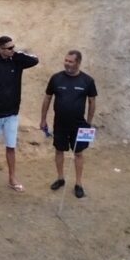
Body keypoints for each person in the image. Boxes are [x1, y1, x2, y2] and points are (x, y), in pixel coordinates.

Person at [0, 35, 40, 191]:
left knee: (11, 146)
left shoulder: (17, 61)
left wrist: (16, 54)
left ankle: (12, 178)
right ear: (0, 49)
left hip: (12, 113)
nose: (13, 50)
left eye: (14, 47)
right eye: (9, 48)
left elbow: (35, 60)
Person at [39, 50, 98, 198]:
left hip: (80, 125)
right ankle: (60, 178)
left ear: (78, 63)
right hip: (59, 123)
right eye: (66, 60)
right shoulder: (56, 78)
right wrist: (43, 119)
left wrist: (89, 123)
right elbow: (47, 98)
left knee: (78, 153)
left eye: (70, 61)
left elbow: (92, 102)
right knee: (59, 150)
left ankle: (78, 184)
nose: (67, 63)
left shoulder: (87, 81)